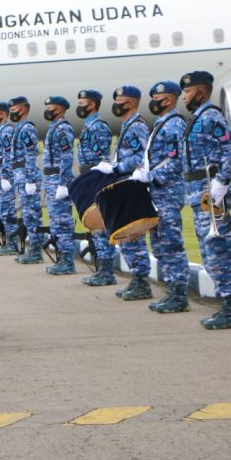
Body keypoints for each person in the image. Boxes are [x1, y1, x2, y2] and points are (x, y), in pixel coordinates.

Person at [180, 71, 231, 329]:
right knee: (210, 251)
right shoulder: (197, 118)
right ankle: (226, 306)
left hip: (211, 193)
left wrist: (223, 180)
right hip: (199, 193)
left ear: (201, 92)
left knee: (220, 250)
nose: (184, 97)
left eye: (187, 92)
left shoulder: (210, 117)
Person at [131, 81, 191, 313]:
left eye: (157, 98)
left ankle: (179, 294)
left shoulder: (174, 125)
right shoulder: (161, 123)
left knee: (171, 245)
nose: (153, 102)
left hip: (167, 192)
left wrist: (151, 175)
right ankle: (171, 291)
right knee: (159, 245)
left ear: (167, 100)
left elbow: (177, 162)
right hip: (157, 192)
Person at [94, 85, 153, 300]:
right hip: (123, 184)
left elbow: (142, 157)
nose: (115, 105)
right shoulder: (127, 125)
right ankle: (137, 281)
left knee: (133, 235)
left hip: (131, 185)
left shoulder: (136, 126)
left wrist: (117, 167)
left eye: (119, 101)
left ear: (128, 103)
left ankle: (141, 282)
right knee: (127, 236)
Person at [75, 90, 118, 286]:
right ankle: (102, 270)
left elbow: (100, 159)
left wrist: (95, 180)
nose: (79, 106)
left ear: (91, 105)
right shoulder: (89, 125)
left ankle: (107, 272)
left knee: (101, 226)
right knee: (95, 226)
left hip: (97, 177)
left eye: (82, 102)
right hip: (89, 176)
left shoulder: (99, 127)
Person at [42, 96, 77, 275]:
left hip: (58, 180)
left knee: (62, 221)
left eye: (51, 107)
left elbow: (67, 157)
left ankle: (68, 262)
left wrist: (63, 183)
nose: (47, 110)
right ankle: (63, 259)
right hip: (51, 179)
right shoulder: (53, 127)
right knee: (55, 220)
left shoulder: (63, 128)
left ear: (60, 109)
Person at [11, 97, 44, 264]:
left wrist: (30, 179)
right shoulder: (19, 128)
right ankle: (33, 249)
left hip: (27, 176)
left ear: (23, 110)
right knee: (27, 214)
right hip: (20, 175)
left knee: (32, 215)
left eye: (14, 109)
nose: (11, 112)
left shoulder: (27, 128)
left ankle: (36, 251)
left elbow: (31, 155)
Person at [0, 102, 19, 256]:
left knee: (7, 211)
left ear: (3, 114)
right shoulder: (1, 129)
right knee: (2, 210)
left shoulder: (7, 130)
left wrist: (6, 176)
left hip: (4, 176)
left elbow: (8, 155)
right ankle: (9, 242)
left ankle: (13, 244)